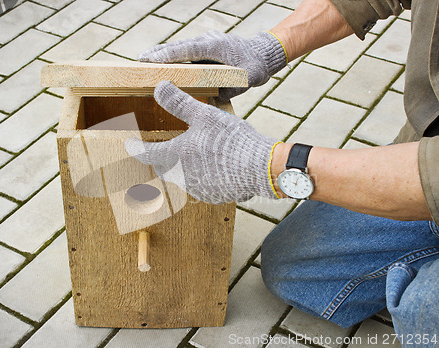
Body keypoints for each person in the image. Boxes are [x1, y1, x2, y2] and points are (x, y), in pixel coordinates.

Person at [125, 0, 439, 345]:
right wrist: (268, 48)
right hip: (424, 154)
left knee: (423, 312)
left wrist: (269, 164)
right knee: (292, 268)